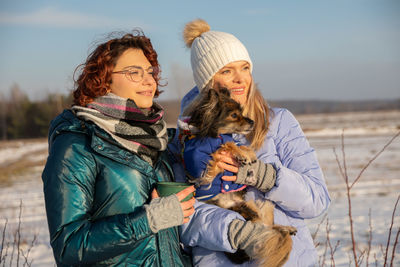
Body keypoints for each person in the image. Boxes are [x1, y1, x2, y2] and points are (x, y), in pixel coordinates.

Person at [169, 19, 331, 266]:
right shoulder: (186, 138)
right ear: (207, 82)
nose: (240, 78)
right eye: (226, 71)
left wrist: (267, 177)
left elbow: (317, 200)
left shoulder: (279, 123)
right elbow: (181, 217)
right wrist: (236, 232)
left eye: (245, 67)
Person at [41, 30, 195, 267]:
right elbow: (68, 246)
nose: (149, 80)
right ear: (104, 79)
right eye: (134, 72)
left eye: (150, 72)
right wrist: (148, 220)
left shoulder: (158, 139)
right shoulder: (78, 144)